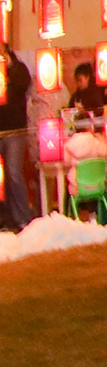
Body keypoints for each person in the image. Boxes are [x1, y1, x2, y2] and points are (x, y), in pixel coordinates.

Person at [2, 40, 33, 230]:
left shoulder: (18, 68)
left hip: (16, 131)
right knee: (2, 179)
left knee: (14, 173)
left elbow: (24, 84)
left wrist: (9, 68)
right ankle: (6, 219)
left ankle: (23, 218)